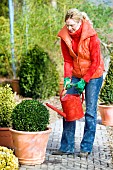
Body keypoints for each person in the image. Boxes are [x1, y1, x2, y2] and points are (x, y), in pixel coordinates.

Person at [52, 8, 104, 157]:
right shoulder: (65, 37)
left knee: (90, 112)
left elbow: (96, 62)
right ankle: (67, 146)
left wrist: (84, 80)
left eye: (72, 25)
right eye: (67, 25)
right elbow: (68, 60)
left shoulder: (92, 36)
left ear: (80, 22)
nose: (69, 29)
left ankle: (86, 147)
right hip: (76, 73)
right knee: (69, 109)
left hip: (93, 75)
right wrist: (67, 78)